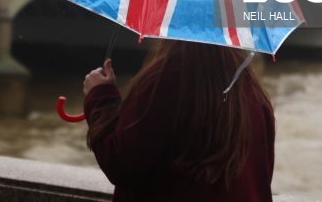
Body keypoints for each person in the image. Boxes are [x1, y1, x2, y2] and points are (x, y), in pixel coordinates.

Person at [83, 40, 275, 202]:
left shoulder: (166, 81)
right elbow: (262, 176)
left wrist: (100, 96)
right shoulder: (254, 94)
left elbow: (120, 162)